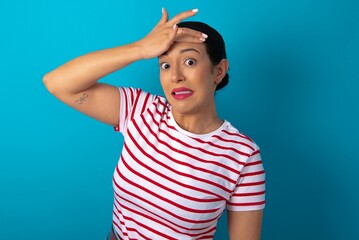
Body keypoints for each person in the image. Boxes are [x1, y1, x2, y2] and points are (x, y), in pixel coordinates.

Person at [43, 8, 265, 240]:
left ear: (219, 71)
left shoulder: (243, 155)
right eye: (165, 65)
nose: (175, 76)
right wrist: (141, 48)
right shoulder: (141, 109)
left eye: (189, 61)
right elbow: (57, 82)